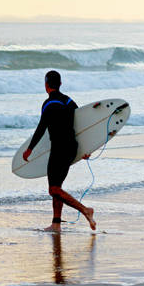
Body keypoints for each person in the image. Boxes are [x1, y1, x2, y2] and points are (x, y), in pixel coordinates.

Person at [23, 70, 96, 232]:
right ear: (60, 84)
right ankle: (56, 223)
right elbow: (82, 126)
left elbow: (41, 128)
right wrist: (86, 149)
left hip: (59, 149)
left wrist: (30, 149)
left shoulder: (48, 104)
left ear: (46, 85)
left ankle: (85, 210)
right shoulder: (68, 101)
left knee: (54, 189)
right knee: (57, 186)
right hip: (71, 148)